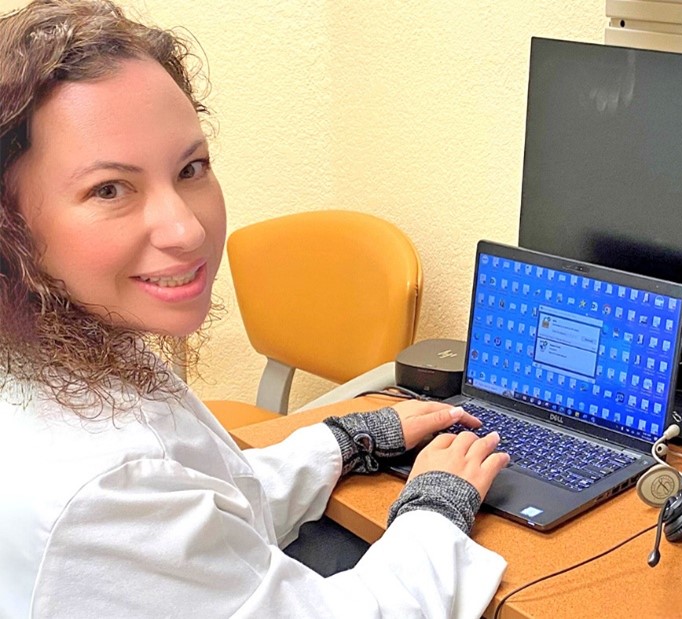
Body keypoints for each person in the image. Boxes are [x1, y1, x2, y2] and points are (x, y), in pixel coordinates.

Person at [0, 1, 508, 617]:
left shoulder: (66, 351)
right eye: (110, 189)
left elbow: (208, 509)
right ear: (11, 225)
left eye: (191, 168)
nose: (187, 229)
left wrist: (345, 441)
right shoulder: (99, 488)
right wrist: (436, 505)